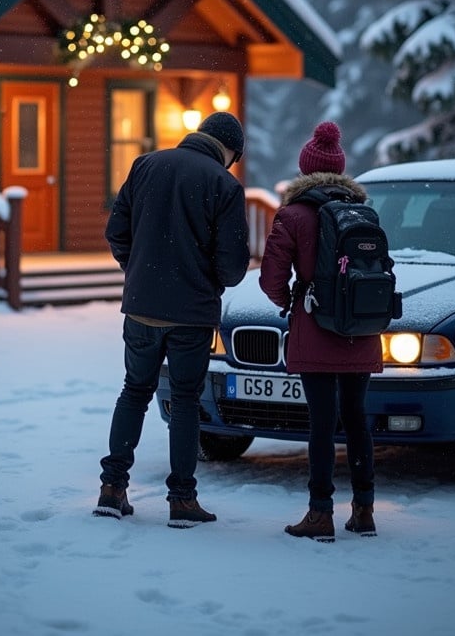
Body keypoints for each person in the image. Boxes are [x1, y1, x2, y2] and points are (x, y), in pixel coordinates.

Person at [94, 112, 250, 528]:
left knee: (134, 392)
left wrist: (140, 271)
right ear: (230, 150)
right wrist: (202, 281)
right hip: (191, 316)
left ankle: (112, 488)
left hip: (141, 308)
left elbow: (116, 231)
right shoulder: (225, 185)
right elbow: (234, 268)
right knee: (184, 402)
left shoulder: (146, 165)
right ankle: (182, 500)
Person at [259, 121, 382, 542]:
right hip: (360, 330)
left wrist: (292, 303)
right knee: (357, 420)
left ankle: (320, 512)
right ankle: (364, 510)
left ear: (304, 169)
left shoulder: (293, 215)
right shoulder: (365, 212)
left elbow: (271, 278)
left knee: (321, 426)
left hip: (316, 328)